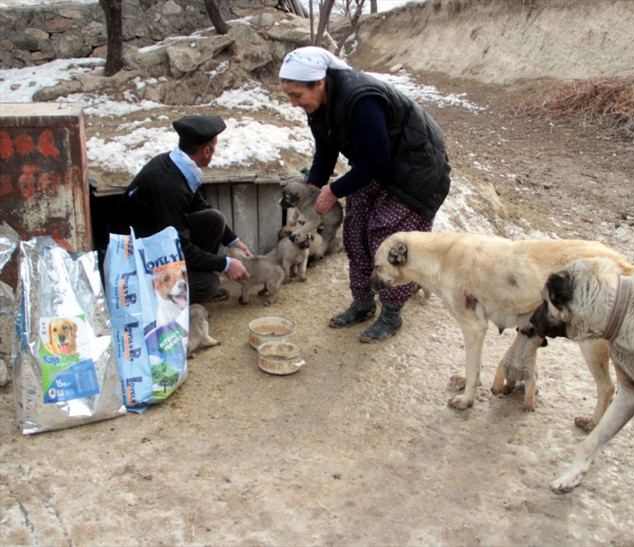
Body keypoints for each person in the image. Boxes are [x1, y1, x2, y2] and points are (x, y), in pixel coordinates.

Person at [279, 46, 451, 342]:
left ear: (319, 83)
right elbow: (326, 148)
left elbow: (378, 157)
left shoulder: (362, 99)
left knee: (389, 243)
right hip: (377, 164)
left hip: (416, 172)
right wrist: (313, 189)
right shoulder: (318, 105)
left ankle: (391, 313)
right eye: (290, 97)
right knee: (356, 233)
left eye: (297, 95)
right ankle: (362, 303)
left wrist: (333, 190)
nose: (294, 103)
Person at [109, 115, 251, 303]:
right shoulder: (170, 188)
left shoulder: (174, 164)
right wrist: (225, 264)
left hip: (153, 239)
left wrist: (232, 240)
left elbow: (198, 204)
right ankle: (183, 299)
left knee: (214, 219)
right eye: (214, 149)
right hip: (136, 262)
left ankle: (188, 277)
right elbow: (180, 247)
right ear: (206, 151)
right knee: (208, 283)